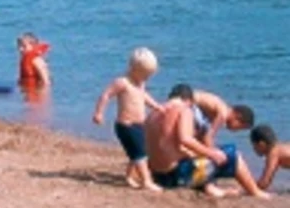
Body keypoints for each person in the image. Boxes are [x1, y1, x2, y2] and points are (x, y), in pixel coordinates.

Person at [144, 84, 269, 198]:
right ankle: (255, 192)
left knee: (198, 151)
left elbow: (165, 144)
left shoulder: (154, 113)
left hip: (158, 177)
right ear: (188, 101)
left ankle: (210, 187)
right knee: (233, 154)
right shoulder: (185, 110)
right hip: (176, 177)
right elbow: (187, 139)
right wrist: (212, 153)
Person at [92, 47, 162, 192]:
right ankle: (146, 181)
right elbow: (106, 95)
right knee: (140, 154)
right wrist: (99, 113)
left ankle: (130, 176)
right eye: (144, 75)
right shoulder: (122, 82)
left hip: (139, 125)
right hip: (126, 125)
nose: (146, 78)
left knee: (137, 151)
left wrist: (156, 106)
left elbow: (144, 96)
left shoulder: (140, 83)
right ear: (133, 69)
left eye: (148, 76)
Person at [186, 87, 255, 143]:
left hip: (189, 101)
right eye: (239, 128)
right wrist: (215, 153)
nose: (235, 131)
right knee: (202, 132)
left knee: (202, 131)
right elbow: (208, 137)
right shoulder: (223, 114)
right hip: (189, 102)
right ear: (238, 116)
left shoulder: (220, 109)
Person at [249, 125, 290, 192]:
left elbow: (265, 183)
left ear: (261, 144)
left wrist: (246, 188)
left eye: (254, 146)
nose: (253, 149)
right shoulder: (281, 147)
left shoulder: (274, 154)